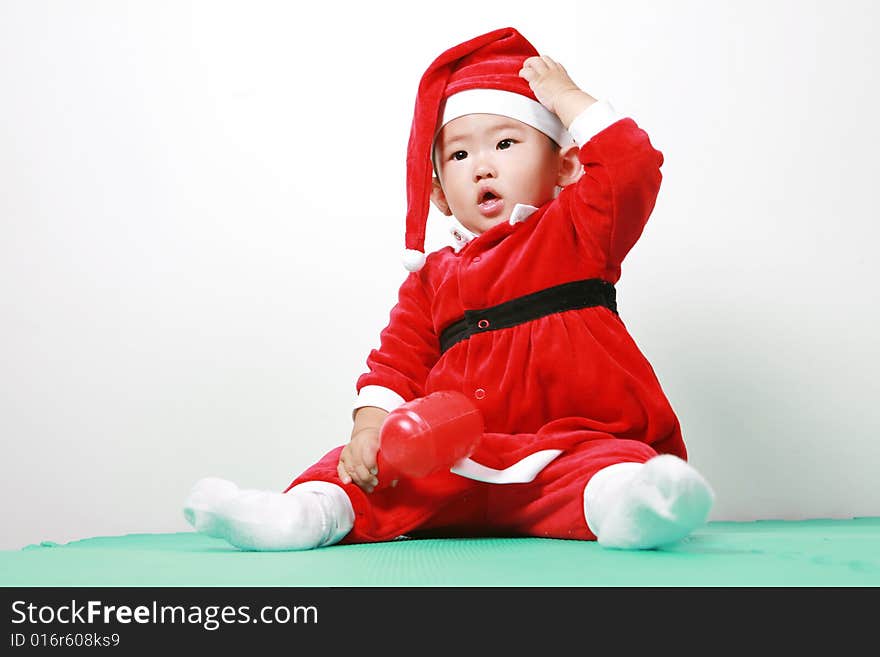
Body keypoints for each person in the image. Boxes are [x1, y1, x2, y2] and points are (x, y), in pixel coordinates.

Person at [183, 26, 714, 552]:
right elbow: (397, 363)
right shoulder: (431, 277)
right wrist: (370, 429)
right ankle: (301, 514)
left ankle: (636, 510)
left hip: (568, 446)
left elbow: (632, 168)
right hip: (455, 458)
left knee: (609, 468)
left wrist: (568, 99)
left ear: (566, 165)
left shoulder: (580, 230)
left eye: (506, 143)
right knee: (367, 473)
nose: (482, 165)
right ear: (438, 193)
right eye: (459, 156)